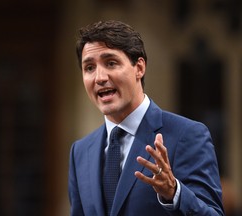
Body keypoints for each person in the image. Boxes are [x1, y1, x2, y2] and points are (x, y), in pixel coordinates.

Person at [68, 20, 224, 216]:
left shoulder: (187, 135)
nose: (99, 77)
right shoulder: (80, 152)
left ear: (139, 68)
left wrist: (175, 193)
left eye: (111, 63)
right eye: (89, 67)